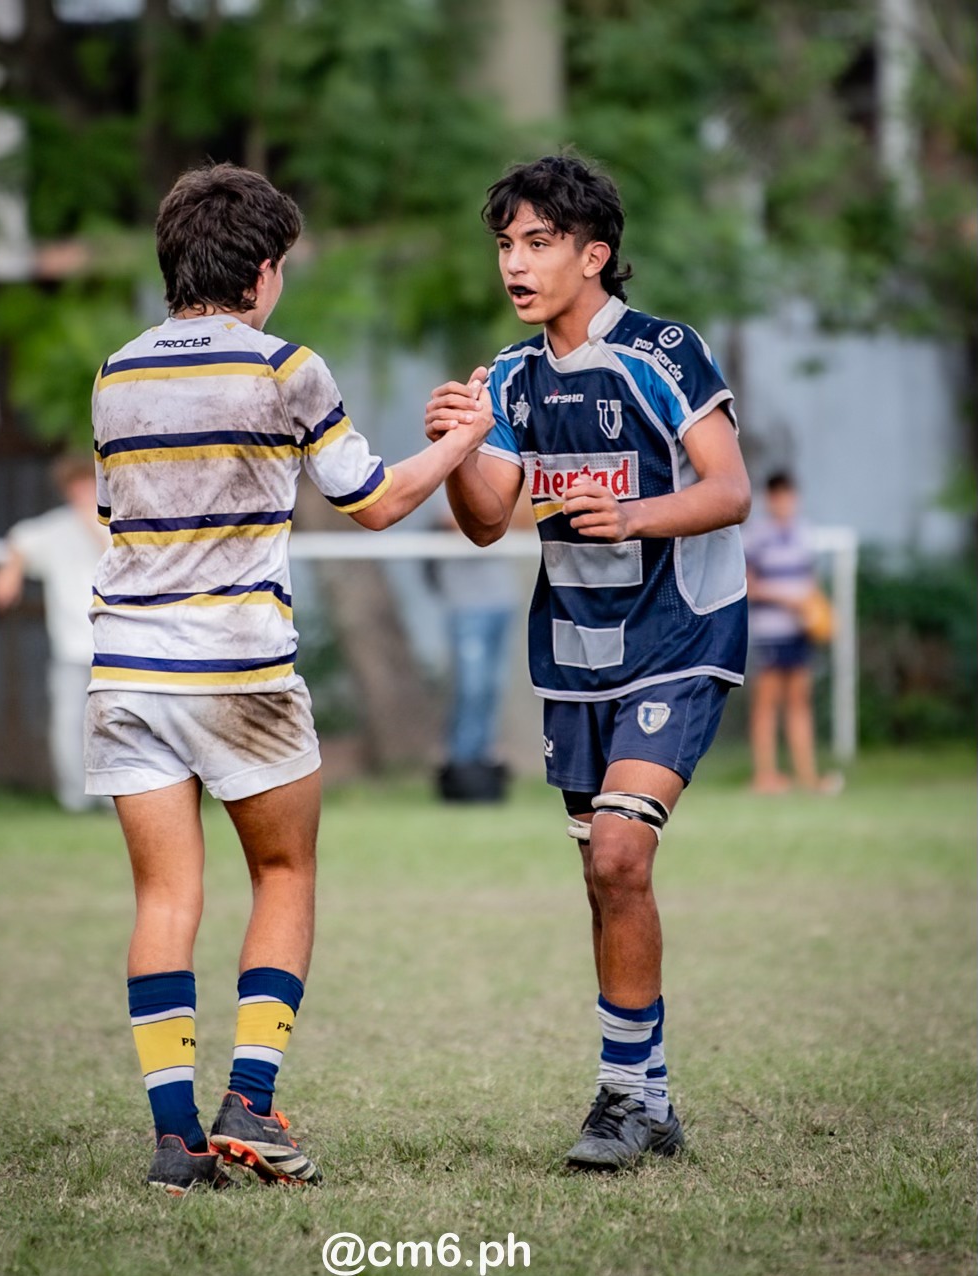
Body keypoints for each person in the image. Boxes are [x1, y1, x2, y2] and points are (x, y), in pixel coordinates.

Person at [87, 162, 494, 1194]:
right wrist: (458, 443)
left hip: (127, 671)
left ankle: (175, 1140)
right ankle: (252, 1103)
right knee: (284, 873)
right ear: (264, 270)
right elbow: (370, 499)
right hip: (240, 667)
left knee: (164, 894)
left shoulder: (116, 371)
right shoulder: (286, 367)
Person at [426, 154, 751, 1172]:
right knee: (603, 878)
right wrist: (456, 450)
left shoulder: (661, 351)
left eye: (537, 244)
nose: (513, 266)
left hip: (680, 634)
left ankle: (617, 1095)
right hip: (574, 649)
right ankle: (647, 1099)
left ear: (592, 254)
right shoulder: (512, 378)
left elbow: (729, 487)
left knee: (619, 853)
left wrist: (637, 513)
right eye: (504, 246)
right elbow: (486, 524)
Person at [0, 454, 110, 811]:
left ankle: (113, 797)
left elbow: (113, 552)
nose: (81, 492)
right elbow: (21, 538)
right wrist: (10, 569)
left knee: (114, 727)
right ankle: (74, 798)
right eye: (75, 486)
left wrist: (92, 519)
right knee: (67, 724)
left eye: (87, 484)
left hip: (114, 648)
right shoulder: (55, 528)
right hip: (70, 647)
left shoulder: (118, 524)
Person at [743, 471, 839, 795]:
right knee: (767, 703)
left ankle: (806, 775)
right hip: (770, 631)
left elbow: (809, 581)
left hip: (800, 630)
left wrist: (819, 610)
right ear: (771, 499)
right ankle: (765, 776)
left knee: (800, 701)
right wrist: (786, 598)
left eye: (790, 496)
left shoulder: (803, 533)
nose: (785, 503)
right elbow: (748, 585)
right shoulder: (756, 535)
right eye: (779, 496)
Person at [429, 509, 520, 802]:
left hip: (502, 600)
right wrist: (501, 516)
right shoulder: (451, 468)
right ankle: (462, 768)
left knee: (493, 687)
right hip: (466, 603)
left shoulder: (505, 467)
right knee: (471, 688)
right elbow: (462, 522)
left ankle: (483, 762)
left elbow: (528, 521)